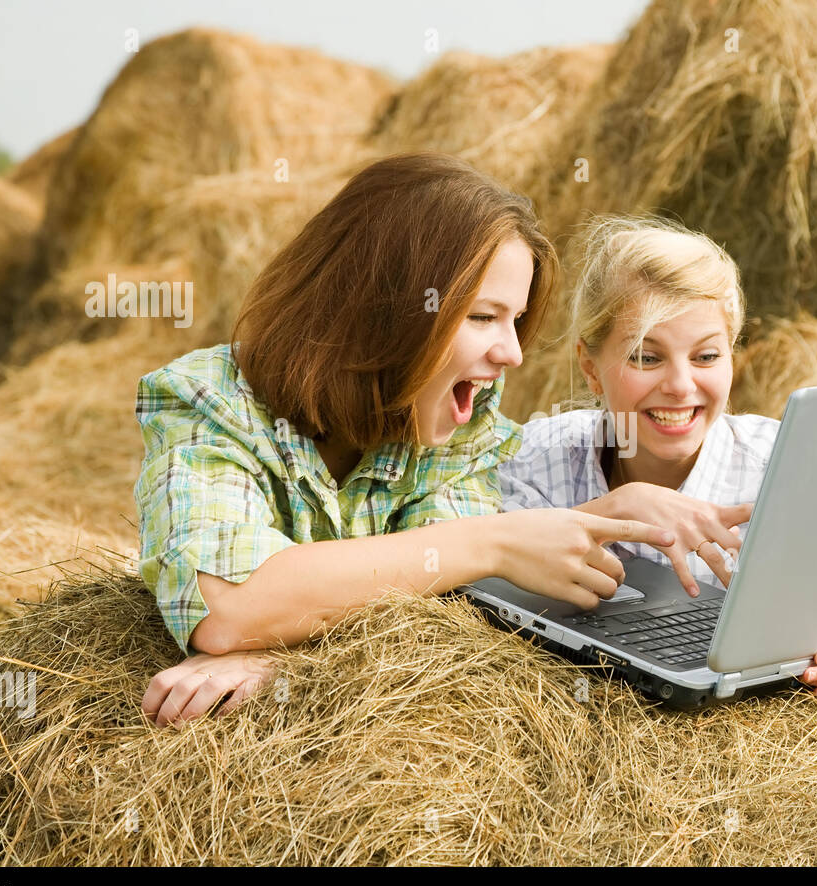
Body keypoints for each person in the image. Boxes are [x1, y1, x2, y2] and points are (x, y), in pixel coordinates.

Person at [135, 154, 672, 727]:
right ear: (383, 309)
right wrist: (493, 544)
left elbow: (448, 612)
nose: (511, 353)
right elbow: (228, 602)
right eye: (484, 317)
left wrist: (278, 647)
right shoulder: (204, 399)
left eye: (514, 320)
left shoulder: (463, 414)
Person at [497, 215, 817, 719]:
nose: (682, 386)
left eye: (706, 356)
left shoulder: (800, 474)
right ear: (589, 367)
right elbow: (468, 579)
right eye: (647, 358)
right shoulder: (536, 458)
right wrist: (613, 509)